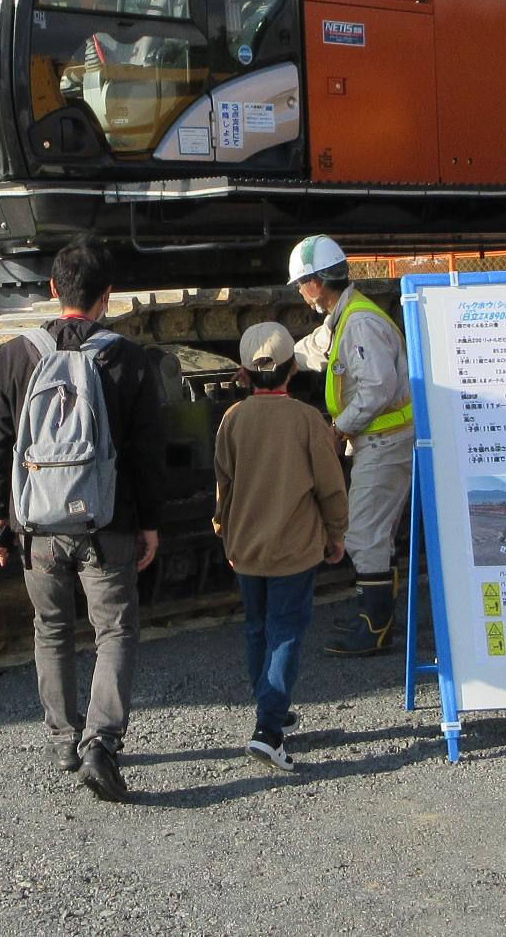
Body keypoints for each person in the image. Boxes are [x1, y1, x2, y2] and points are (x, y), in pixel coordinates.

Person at [0, 234, 163, 803]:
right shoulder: (128, 358)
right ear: (108, 295)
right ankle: (101, 744)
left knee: (52, 628)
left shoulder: (16, 355)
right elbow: (147, 452)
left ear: (53, 289)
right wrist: (150, 523)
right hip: (107, 524)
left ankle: (63, 739)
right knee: (114, 630)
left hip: (36, 526)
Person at [213, 321, 348, 772]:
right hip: (296, 547)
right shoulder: (307, 420)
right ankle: (269, 731)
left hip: (246, 547)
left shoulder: (232, 419)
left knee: (257, 628)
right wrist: (336, 534)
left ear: (245, 375)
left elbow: (224, 488)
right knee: (286, 630)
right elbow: (330, 488)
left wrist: (223, 531)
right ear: (292, 371)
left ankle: (270, 706)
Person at [288, 234, 417, 656]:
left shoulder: (359, 323)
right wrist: (271, 359)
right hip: (378, 440)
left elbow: (377, 387)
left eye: (301, 284)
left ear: (316, 281)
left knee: (364, 534)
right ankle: (374, 618)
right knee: (374, 532)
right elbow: (318, 349)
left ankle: (376, 626)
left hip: (385, 441)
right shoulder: (345, 318)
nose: (301, 293)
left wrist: (338, 427)